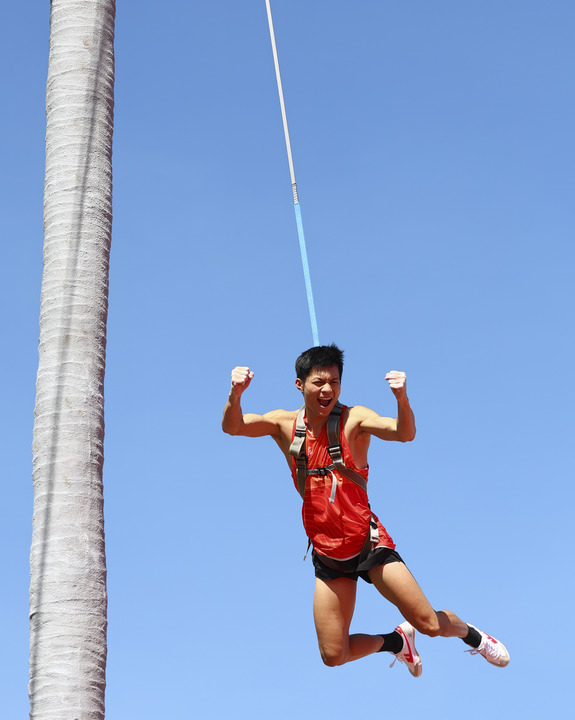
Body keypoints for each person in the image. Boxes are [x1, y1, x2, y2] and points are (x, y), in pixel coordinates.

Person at [221, 344, 509, 675]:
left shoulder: (354, 420)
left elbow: (404, 433)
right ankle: (397, 642)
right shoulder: (284, 425)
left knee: (428, 624)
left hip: (367, 544)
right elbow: (234, 426)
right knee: (333, 654)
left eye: (334, 382)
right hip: (328, 554)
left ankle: (473, 636)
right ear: (300, 385)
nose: (327, 389)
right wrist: (235, 393)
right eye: (319, 382)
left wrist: (402, 399)